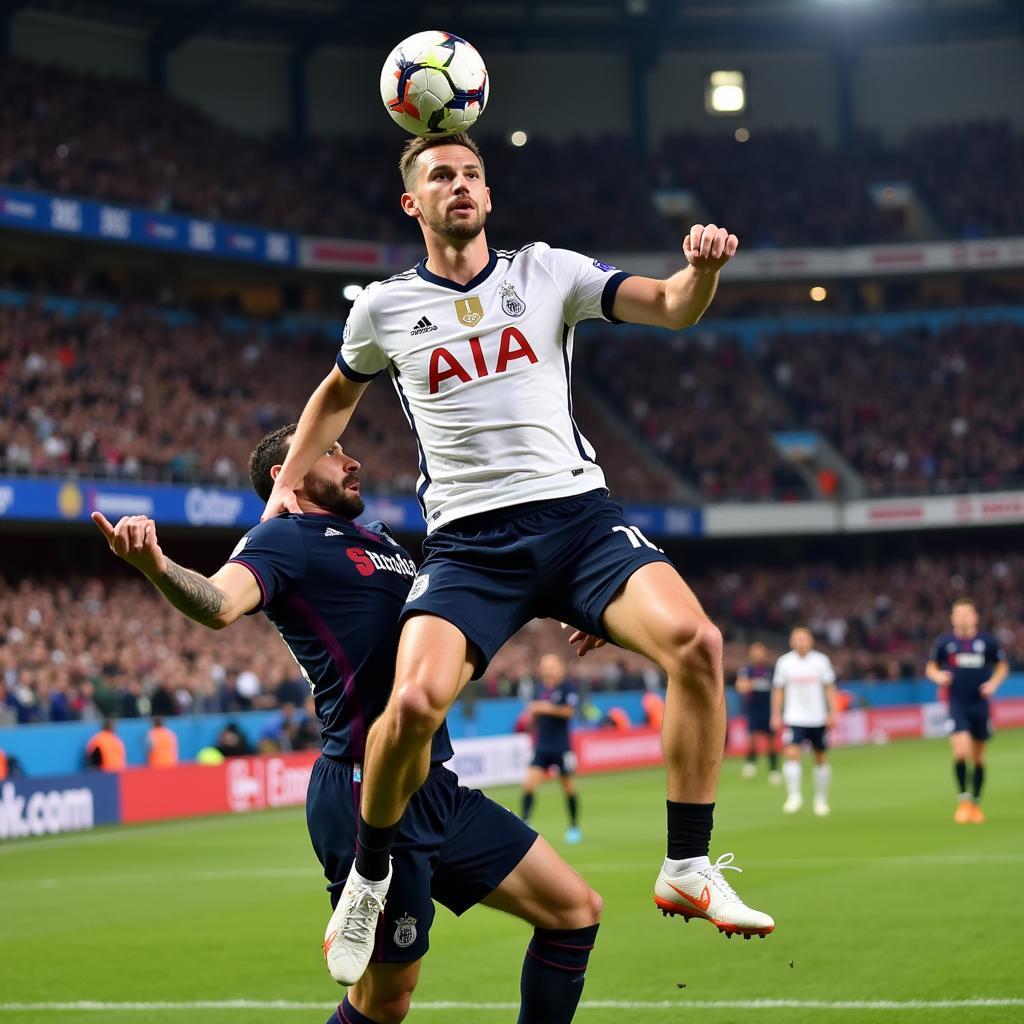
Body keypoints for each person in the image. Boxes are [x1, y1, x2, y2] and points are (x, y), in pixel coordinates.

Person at [262, 132, 773, 975]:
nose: (459, 185)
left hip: (578, 523)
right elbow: (335, 395)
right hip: (469, 543)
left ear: (489, 196)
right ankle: (369, 875)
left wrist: (704, 270)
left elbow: (672, 305)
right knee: (414, 703)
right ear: (412, 203)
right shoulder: (384, 308)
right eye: (440, 176)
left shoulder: (547, 271)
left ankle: (687, 866)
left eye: (471, 174)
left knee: (698, 643)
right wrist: (283, 491)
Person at [92, 424, 602, 1024]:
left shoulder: (378, 538)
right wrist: (156, 566)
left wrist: (579, 602)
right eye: (331, 452)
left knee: (575, 910)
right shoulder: (284, 538)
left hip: (433, 783)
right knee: (384, 1002)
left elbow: (460, 605)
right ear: (294, 472)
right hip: (365, 787)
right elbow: (220, 603)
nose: (351, 460)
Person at [925, 598, 1008, 824]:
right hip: (957, 704)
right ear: (952, 618)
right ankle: (963, 801)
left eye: (966, 613)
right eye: (957, 613)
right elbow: (931, 667)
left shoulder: (987, 642)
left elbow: (1002, 666)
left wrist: (993, 684)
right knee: (961, 752)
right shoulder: (944, 643)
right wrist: (938, 676)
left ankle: (976, 803)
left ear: (975, 617)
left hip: (980, 705)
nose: (962, 617)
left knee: (979, 757)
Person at [770, 627, 838, 817]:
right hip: (794, 717)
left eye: (804, 639)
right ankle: (794, 796)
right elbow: (778, 689)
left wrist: (834, 711)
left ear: (811, 641)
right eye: (797, 639)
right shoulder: (784, 662)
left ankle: (821, 800)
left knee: (820, 757)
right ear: (792, 641)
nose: (801, 642)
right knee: (791, 754)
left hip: (817, 717)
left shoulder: (821, 661)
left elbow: (829, 688)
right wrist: (776, 714)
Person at [520, 654, 582, 843]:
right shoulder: (538, 689)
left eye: (552, 666)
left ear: (560, 667)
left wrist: (544, 708)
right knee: (529, 784)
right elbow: (533, 717)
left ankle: (573, 827)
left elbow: (569, 712)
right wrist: (530, 717)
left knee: (568, 787)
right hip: (542, 746)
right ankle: (525, 823)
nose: (548, 669)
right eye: (545, 666)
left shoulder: (567, 687)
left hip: (561, 747)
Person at [735, 642, 780, 784]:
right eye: (755, 652)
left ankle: (774, 771)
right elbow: (741, 687)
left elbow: (777, 688)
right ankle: (750, 765)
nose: (757, 655)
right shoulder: (746, 670)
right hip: (753, 709)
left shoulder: (772, 670)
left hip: (769, 709)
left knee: (772, 742)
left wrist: (752, 684)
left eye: (760, 652)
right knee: (752, 739)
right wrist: (755, 684)